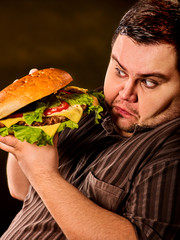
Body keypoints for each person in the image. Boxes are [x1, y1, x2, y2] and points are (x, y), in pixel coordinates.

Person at [0, 0, 180, 239]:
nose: (125, 94)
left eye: (149, 82)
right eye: (120, 71)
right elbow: (22, 190)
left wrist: (44, 174)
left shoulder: (172, 153)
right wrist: (29, 121)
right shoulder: (85, 108)